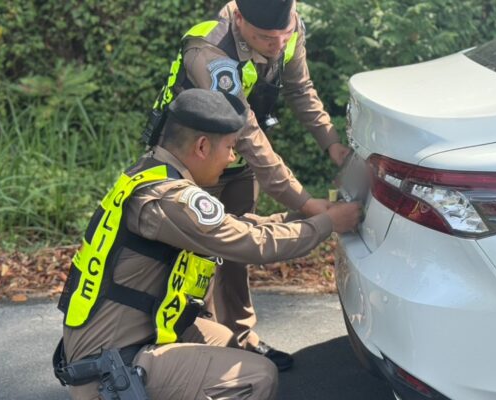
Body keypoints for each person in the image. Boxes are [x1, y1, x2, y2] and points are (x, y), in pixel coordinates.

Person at [54, 89, 361, 400]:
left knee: (228, 343)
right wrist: (328, 224)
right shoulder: (171, 199)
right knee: (256, 377)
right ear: (202, 146)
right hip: (111, 373)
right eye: (230, 147)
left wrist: (305, 216)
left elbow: (237, 227)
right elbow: (253, 244)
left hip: (121, 344)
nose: (231, 158)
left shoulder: (152, 172)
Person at [143, 0, 351, 370]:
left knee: (237, 248)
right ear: (239, 18)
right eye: (266, 38)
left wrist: (332, 143)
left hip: (232, 158)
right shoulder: (210, 52)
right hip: (191, 162)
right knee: (198, 249)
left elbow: (299, 89)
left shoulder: (288, 28)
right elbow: (248, 135)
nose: (278, 45)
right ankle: (195, 338)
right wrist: (306, 204)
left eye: (284, 35)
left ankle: (240, 336)